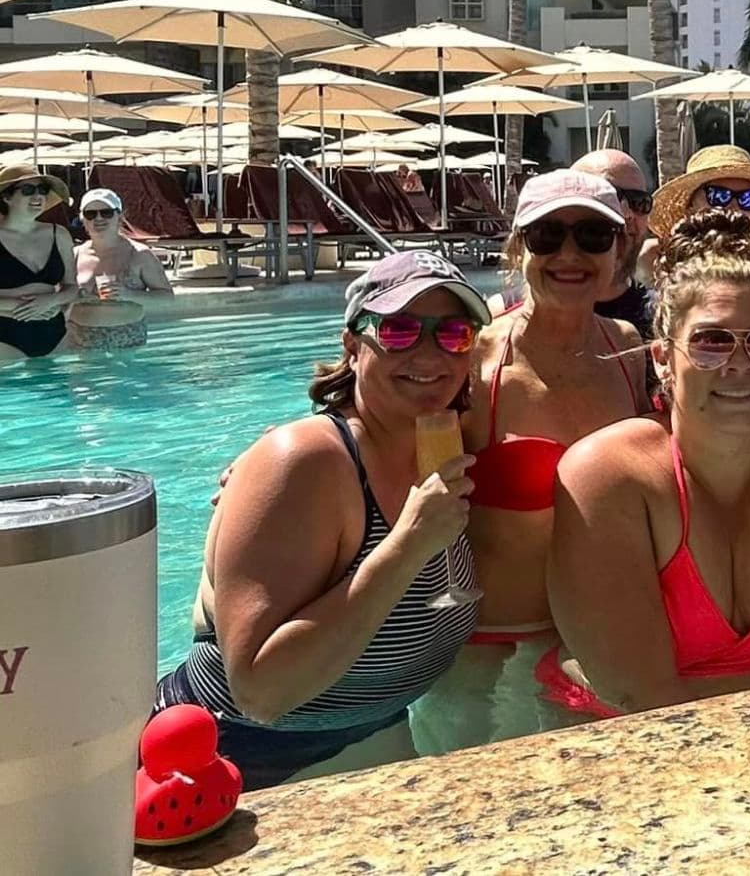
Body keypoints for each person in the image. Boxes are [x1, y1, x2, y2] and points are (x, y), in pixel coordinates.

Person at [153, 253, 486, 787]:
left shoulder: (440, 443)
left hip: (371, 735)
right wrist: (407, 546)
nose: (429, 353)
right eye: (399, 331)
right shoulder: (307, 462)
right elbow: (260, 691)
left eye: (452, 333)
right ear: (353, 346)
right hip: (241, 760)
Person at [543, 211, 750, 715]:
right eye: (711, 341)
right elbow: (645, 700)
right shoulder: (608, 474)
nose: (739, 363)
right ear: (662, 356)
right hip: (620, 734)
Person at [462, 171, 651, 644]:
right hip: (498, 648)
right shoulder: (475, 361)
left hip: (608, 638)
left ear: (618, 250)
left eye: (593, 235)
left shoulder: (628, 349)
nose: (569, 255)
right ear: (517, 249)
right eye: (547, 236)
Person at [68, 185, 174, 351]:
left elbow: (167, 298)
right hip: (80, 342)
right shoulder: (73, 256)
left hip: (127, 341)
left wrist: (129, 295)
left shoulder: (139, 254)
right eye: (90, 214)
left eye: (106, 212)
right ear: (83, 220)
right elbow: (58, 296)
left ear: (120, 216)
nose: (98, 218)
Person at [571, 148, 662, 332]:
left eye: (639, 202)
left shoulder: (664, 320)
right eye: (609, 196)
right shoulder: (514, 318)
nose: (627, 213)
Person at [0, 163, 79, 361]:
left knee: (58, 392)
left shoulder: (59, 234)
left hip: (54, 333)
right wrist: (25, 307)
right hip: (5, 336)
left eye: (42, 190)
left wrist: (51, 300)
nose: (38, 197)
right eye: (28, 190)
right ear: (6, 197)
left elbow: (71, 287)